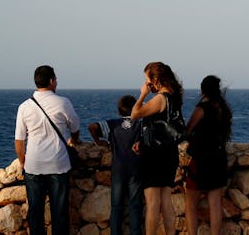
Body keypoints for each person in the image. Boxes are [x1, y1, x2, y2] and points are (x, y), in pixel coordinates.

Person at [14, 65, 80, 235]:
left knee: (35, 213)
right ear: (51, 81)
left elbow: (19, 141)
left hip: (34, 166)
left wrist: (23, 162)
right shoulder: (63, 102)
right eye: (55, 79)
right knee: (60, 213)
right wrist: (74, 139)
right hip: (58, 165)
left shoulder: (24, 107)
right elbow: (75, 126)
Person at [131, 62, 184, 235]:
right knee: (166, 201)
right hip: (169, 154)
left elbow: (135, 114)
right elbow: (160, 125)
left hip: (154, 156)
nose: (147, 84)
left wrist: (142, 95)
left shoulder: (161, 98)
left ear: (156, 79)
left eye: (148, 80)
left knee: (153, 204)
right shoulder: (174, 98)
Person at [88, 95, 143, 235]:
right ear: (136, 109)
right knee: (135, 207)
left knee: (116, 207)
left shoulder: (113, 124)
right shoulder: (140, 124)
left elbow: (92, 127)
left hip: (118, 169)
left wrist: (98, 142)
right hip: (135, 169)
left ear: (119, 111)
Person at [184, 75, 232, 235]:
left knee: (190, 203)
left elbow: (187, 130)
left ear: (203, 89)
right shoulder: (223, 109)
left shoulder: (202, 108)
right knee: (215, 204)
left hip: (201, 160)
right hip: (219, 158)